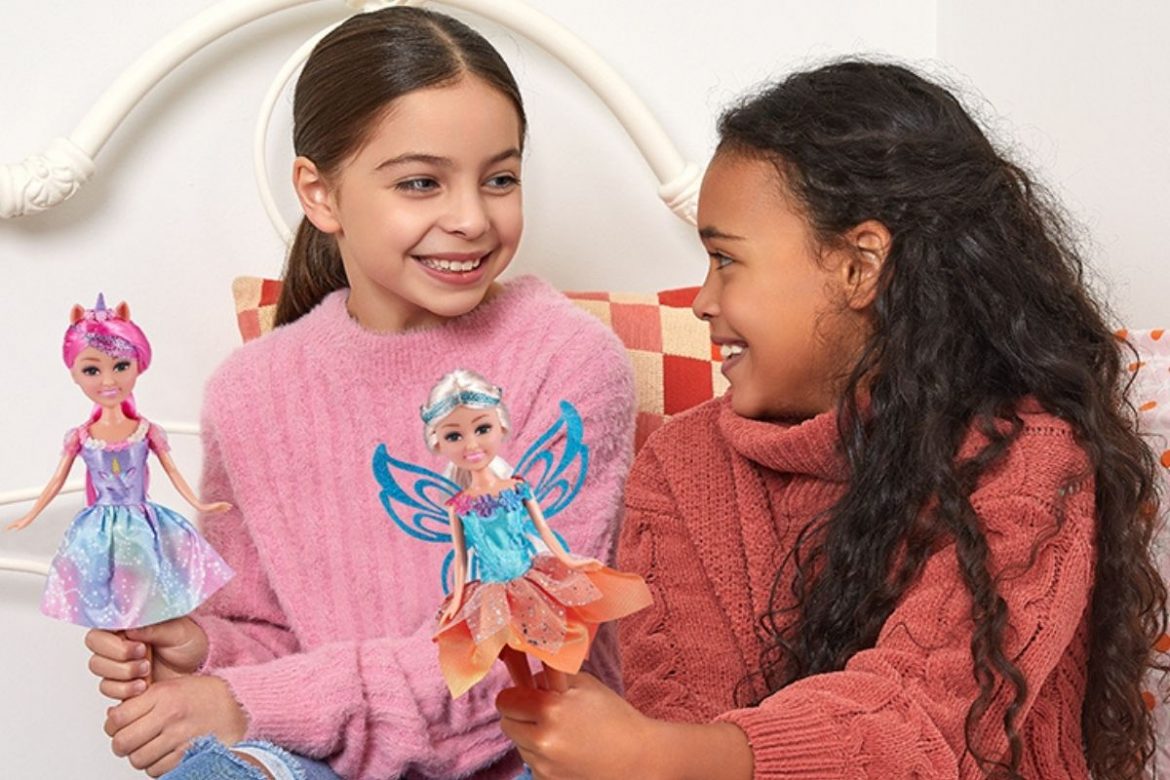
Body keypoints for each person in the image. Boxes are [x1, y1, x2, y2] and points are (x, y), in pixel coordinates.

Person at [495, 60, 1167, 780]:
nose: (702, 301)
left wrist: (653, 754)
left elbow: (925, 724)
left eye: (725, 259)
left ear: (859, 266)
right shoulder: (681, 466)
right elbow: (683, 721)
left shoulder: (1026, 457)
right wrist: (646, 752)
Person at [83, 7, 635, 779]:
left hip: (535, 760)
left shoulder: (568, 359)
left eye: (500, 179)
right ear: (320, 194)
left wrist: (249, 702)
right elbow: (275, 636)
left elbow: (527, 651)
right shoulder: (252, 394)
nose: (471, 218)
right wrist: (206, 649)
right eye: (421, 183)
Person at [413, 369, 651, 698]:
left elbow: (543, 530)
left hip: (530, 578)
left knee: (552, 645)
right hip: (491, 590)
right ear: (439, 443)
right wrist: (455, 601)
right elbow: (462, 558)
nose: (472, 444)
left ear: (500, 427)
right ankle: (529, 700)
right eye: (455, 436)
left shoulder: (517, 488)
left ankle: (562, 700)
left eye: (482, 429)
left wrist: (569, 560)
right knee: (510, 654)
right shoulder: (459, 506)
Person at [6, 295, 232, 629]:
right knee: (106, 597)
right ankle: (127, 641)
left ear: (138, 365)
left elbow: (172, 470)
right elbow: (56, 481)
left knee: (149, 595)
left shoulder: (146, 431)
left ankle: (147, 642)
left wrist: (200, 504)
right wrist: (30, 515)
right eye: (92, 370)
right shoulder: (81, 436)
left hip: (142, 524)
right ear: (74, 374)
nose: (109, 381)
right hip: (98, 529)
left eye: (121, 366)